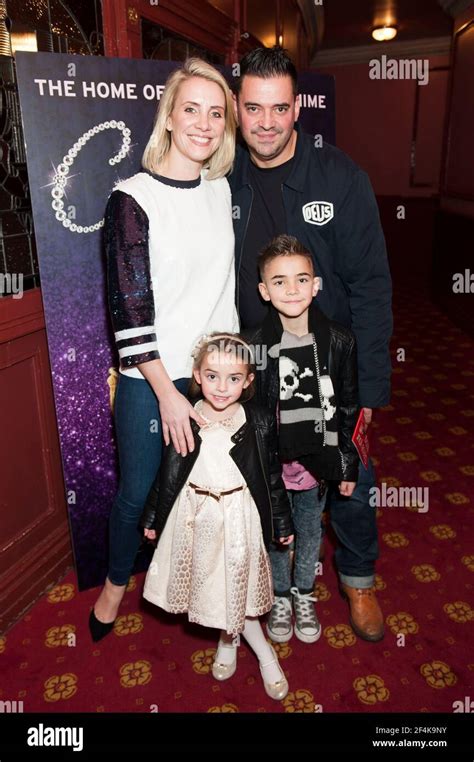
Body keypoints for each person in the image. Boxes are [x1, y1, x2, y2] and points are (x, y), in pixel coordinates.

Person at [229, 46, 392, 641]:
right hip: (258, 368)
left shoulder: (341, 177)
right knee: (267, 480)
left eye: (278, 108)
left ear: (297, 107)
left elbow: (372, 285)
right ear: (237, 108)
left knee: (349, 475)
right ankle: (271, 587)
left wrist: (369, 388)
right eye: (253, 108)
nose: (266, 122)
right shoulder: (221, 179)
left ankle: (357, 579)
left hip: (332, 367)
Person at [89, 58, 239, 642]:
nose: (203, 123)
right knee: (136, 493)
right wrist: (168, 398)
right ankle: (113, 589)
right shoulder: (131, 198)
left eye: (215, 112)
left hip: (212, 379)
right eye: (191, 109)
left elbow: (225, 297)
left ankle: (193, 590)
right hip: (149, 380)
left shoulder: (222, 190)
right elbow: (128, 314)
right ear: (170, 120)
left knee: (206, 494)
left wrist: (220, 383)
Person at [140, 334, 294, 700]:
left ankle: (263, 653)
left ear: (249, 380)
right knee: (215, 590)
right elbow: (168, 474)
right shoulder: (186, 417)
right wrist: (152, 517)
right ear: (197, 374)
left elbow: (272, 476)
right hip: (195, 518)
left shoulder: (257, 420)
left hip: (239, 520)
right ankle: (228, 641)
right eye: (211, 377)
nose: (222, 388)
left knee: (237, 589)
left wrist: (283, 523)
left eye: (233, 379)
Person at [245, 234, 359, 645]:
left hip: (318, 459)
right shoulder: (255, 344)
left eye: (300, 279)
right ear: (263, 290)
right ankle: (279, 595)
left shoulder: (340, 340)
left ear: (316, 285)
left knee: (310, 530)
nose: (291, 289)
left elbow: (349, 406)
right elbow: (252, 415)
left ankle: (304, 593)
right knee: (277, 531)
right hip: (274, 461)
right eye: (279, 281)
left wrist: (347, 462)